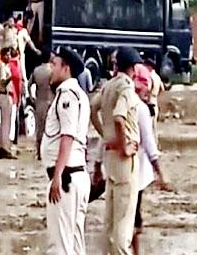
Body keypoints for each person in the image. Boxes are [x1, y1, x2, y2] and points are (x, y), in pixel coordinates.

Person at [90, 47, 143, 255]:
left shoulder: (108, 86)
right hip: (124, 160)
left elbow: (93, 110)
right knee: (122, 231)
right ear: (132, 68)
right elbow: (120, 117)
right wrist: (124, 145)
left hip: (110, 158)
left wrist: (106, 136)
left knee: (110, 228)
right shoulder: (126, 88)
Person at [41, 47, 90, 255]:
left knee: (60, 246)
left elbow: (67, 136)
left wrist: (58, 176)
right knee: (75, 244)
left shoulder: (67, 95)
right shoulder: (80, 94)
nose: (51, 69)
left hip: (66, 177)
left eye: (55, 65)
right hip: (77, 174)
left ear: (66, 68)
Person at [131, 63, 171, 255]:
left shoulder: (121, 100)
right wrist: (160, 174)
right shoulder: (139, 107)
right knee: (134, 216)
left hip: (123, 169)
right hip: (135, 172)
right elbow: (149, 145)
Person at [29, 50, 54, 160]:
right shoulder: (52, 71)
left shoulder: (36, 70)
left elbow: (29, 85)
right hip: (51, 101)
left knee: (40, 129)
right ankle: (49, 152)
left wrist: (31, 98)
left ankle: (39, 152)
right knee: (51, 128)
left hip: (40, 101)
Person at [0, 47, 16, 160]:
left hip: (6, 95)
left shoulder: (4, 66)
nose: (9, 57)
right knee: (5, 124)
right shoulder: (2, 66)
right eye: (7, 55)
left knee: (4, 123)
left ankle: (2, 147)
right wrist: (11, 78)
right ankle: (5, 149)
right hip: (4, 94)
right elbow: (3, 81)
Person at [144, 58, 164, 149]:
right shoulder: (157, 77)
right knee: (154, 126)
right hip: (155, 100)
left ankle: (151, 147)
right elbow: (162, 89)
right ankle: (155, 145)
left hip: (149, 102)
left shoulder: (149, 77)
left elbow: (147, 89)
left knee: (148, 127)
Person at [16, 18, 41, 83]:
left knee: (22, 73)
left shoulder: (23, 32)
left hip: (20, 55)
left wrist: (35, 50)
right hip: (13, 56)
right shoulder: (15, 31)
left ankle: (26, 89)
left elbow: (29, 42)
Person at [9, 49, 22, 147]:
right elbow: (18, 85)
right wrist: (19, 98)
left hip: (6, 95)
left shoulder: (6, 65)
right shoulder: (17, 66)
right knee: (14, 118)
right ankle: (14, 140)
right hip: (14, 96)